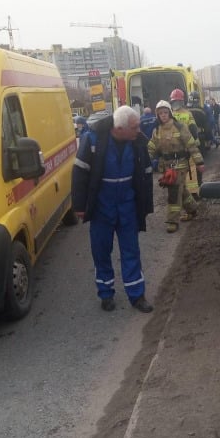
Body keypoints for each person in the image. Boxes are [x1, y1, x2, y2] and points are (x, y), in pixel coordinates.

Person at [70, 106, 154, 313]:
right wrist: (80, 206)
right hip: (102, 207)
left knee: (131, 250)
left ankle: (137, 295)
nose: (138, 130)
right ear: (119, 128)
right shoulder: (93, 141)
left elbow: (146, 173)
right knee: (101, 251)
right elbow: (79, 174)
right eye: (134, 127)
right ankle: (106, 294)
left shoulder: (137, 143)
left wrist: (145, 205)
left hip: (127, 206)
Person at [147, 100, 204, 234]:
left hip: (181, 164)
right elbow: (151, 147)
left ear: (170, 113)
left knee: (173, 192)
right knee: (181, 189)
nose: (163, 115)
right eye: (160, 113)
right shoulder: (157, 131)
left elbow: (191, 145)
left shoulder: (180, 127)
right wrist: (144, 161)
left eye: (165, 112)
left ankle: (172, 221)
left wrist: (199, 162)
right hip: (167, 166)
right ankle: (192, 209)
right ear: (157, 115)